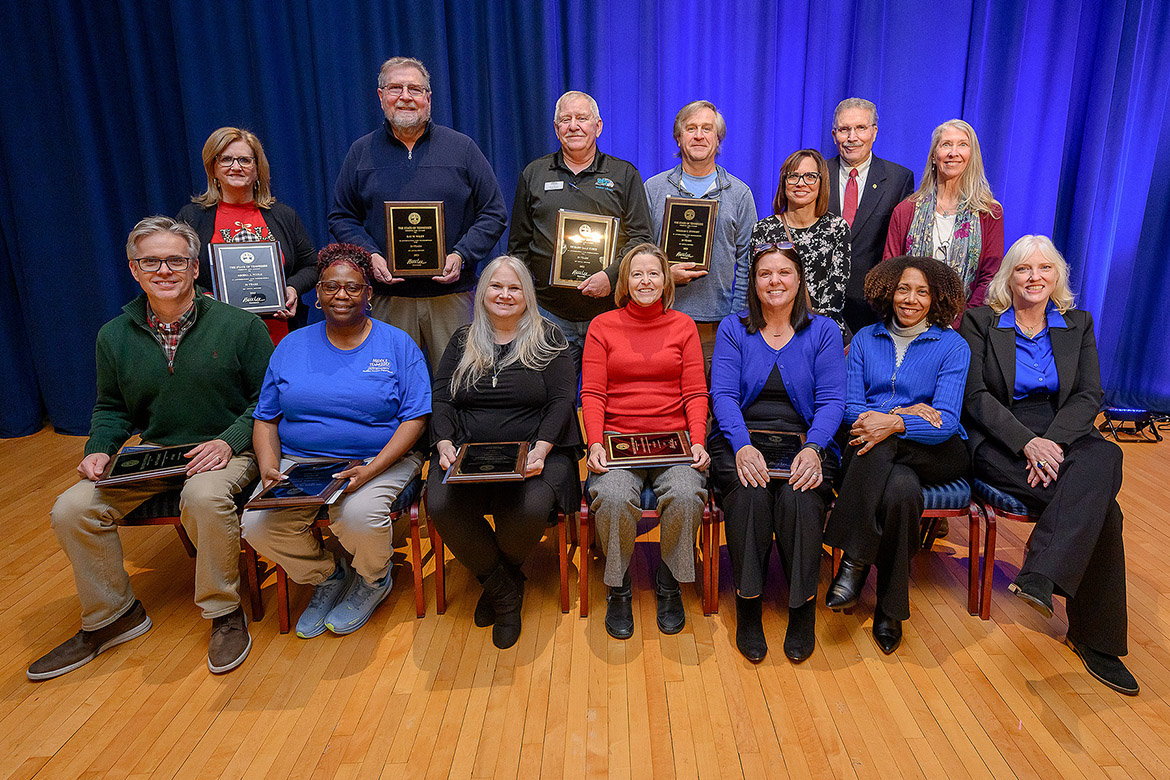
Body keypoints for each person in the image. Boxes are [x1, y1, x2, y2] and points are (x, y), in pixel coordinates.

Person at [29, 216, 273, 680]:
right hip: (156, 451)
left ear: (195, 267)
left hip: (227, 449)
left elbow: (270, 401)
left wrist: (229, 441)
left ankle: (224, 612)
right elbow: (111, 407)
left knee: (203, 497)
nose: (164, 270)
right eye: (151, 261)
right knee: (71, 509)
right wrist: (100, 447)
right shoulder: (113, 336)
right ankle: (113, 616)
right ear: (133, 269)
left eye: (175, 260)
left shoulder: (241, 327)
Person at [960, 235, 1137, 695]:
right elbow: (975, 397)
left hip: (1063, 432)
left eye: (1044, 269)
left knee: (1108, 452)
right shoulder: (981, 322)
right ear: (1008, 277)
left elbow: (1087, 394)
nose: (1034, 277)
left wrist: (1050, 443)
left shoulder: (1077, 324)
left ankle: (1040, 574)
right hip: (1001, 437)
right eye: (1023, 269)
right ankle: (1095, 640)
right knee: (1105, 511)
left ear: (1057, 276)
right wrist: (1027, 444)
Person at [242, 244, 430, 639]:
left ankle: (373, 580)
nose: (341, 295)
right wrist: (268, 468)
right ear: (317, 293)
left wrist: (372, 470)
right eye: (330, 286)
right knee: (257, 525)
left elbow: (415, 419)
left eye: (352, 287)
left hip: (379, 459)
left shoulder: (398, 345)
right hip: (302, 463)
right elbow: (265, 418)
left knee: (358, 517)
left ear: (368, 294)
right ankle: (328, 575)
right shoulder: (291, 346)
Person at [426, 256, 582, 649]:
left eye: (514, 288)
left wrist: (542, 449)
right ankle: (505, 590)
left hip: (536, 450)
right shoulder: (463, 339)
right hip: (464, 451)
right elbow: (442, 398)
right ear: (482, 293)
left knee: (529, 509)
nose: (505, 295)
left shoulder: (550, 339)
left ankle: (497, 582)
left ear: (527, 295)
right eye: (496, 286)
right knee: (442, 505)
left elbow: (563, 402)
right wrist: (444, 443)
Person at [822, 256, 970, 654]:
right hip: (868, 441)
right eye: (904, 288)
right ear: (889, 291)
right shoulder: (865, 340)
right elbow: (851, 409)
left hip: (934, 450)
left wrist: (894, 424)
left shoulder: (953, 346)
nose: (911, 299)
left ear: (936, 297)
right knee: (902, 492)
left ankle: (852, 564)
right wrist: (901, 414)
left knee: (884, 446)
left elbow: (947, 421)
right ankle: (891, 609)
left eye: (922, 291)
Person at [709, 244, 845, 663]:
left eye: (784, 272)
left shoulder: (824, 331)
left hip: (807, 440)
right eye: (765, 273)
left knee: (800, 499)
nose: (774, 281)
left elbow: (833, 401)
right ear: (753, 281)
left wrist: (814, 447)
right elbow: (724, 396)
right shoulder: (734, 328)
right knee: (750, 494)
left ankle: (801, 608)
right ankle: (748, 606)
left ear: (799, 279)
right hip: (741, 439)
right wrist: (741, 444)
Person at [329, 56, 508, 371]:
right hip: (388, 296)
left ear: (428, 98)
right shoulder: (361, 151)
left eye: (415, 89)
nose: (405, 97)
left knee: (460, 384)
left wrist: (461, 255)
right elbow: (341, 217)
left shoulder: (461, 148)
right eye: (396, 88)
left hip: (451, 295)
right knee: (390, 384)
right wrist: (370, 254)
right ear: (381, 96)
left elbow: (494, 213)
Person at [581, 243, 709, 640]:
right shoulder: (602, 326)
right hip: (619, 440)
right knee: (615, 497)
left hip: (675, 441)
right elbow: (593, 394)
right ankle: (618, 587)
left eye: (654, 273)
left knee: (688, 494)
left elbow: (695, 393)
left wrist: (700, 441)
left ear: (666, 280)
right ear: (625, 281)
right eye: (637, 274)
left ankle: (668, 581)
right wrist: (595, 443)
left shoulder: (684, 326)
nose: (645, 281)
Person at [508, 90, 654, 372]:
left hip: (609, 312)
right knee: (552, 401)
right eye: (566, 119)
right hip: (548, 313)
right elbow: (518, 247)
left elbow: (641, 239)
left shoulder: (624, 175)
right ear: (556, 128)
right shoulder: (534, 174)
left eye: (582, 118)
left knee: (605, 398)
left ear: (597, 126)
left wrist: (610, 277)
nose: (573, 125)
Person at [178, 126, 317, 344]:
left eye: (245, 160)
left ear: (257, 168)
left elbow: (311, 265)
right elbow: (179, 269)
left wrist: (292, 289)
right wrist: (205, 297)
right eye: (226, 160)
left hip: (277, 336)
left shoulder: (283, 215)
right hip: (215, 336)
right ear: (213, 168)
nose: (236, 167)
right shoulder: (193, 217)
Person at [645, 100, 757, 361]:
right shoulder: (654, 188)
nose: (698, 136)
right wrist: (664, 276)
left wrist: (735, 318)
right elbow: (641, 251)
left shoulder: (739, 194)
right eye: (691, 128)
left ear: (718, 139)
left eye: (707, 129)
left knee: (710, 400)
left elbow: (748, 262)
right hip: (661, 315)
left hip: (717, 326)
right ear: (678, 138)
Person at [884, 119, 1004, 312]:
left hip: (966, 326)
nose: (953, 152)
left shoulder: (989, 213)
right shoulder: (905, 211)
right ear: (933, 156)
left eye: (962, 145)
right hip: (909, 319)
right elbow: (890, 272)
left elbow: (990, 276)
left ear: (971, 156)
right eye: (946, 144)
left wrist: (963, 322)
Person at [824, 98, 914, 334]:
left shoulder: (899, 179)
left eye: (861, 128)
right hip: (818, 306)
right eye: (844, 129)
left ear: (874, 132)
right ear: (834, 135)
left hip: (872, 308)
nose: (852, 137)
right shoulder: (816, 175)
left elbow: (900, 247)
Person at [750, 150, 851, 333]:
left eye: (810, 176)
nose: (801, 183)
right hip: (774, 332)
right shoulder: (763, 229)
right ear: (784, 182)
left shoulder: (837, 228)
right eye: (793, 176)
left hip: (822, 333)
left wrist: (810, 336)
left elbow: (836, 294)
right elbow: (756, 287)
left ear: (822, 182)